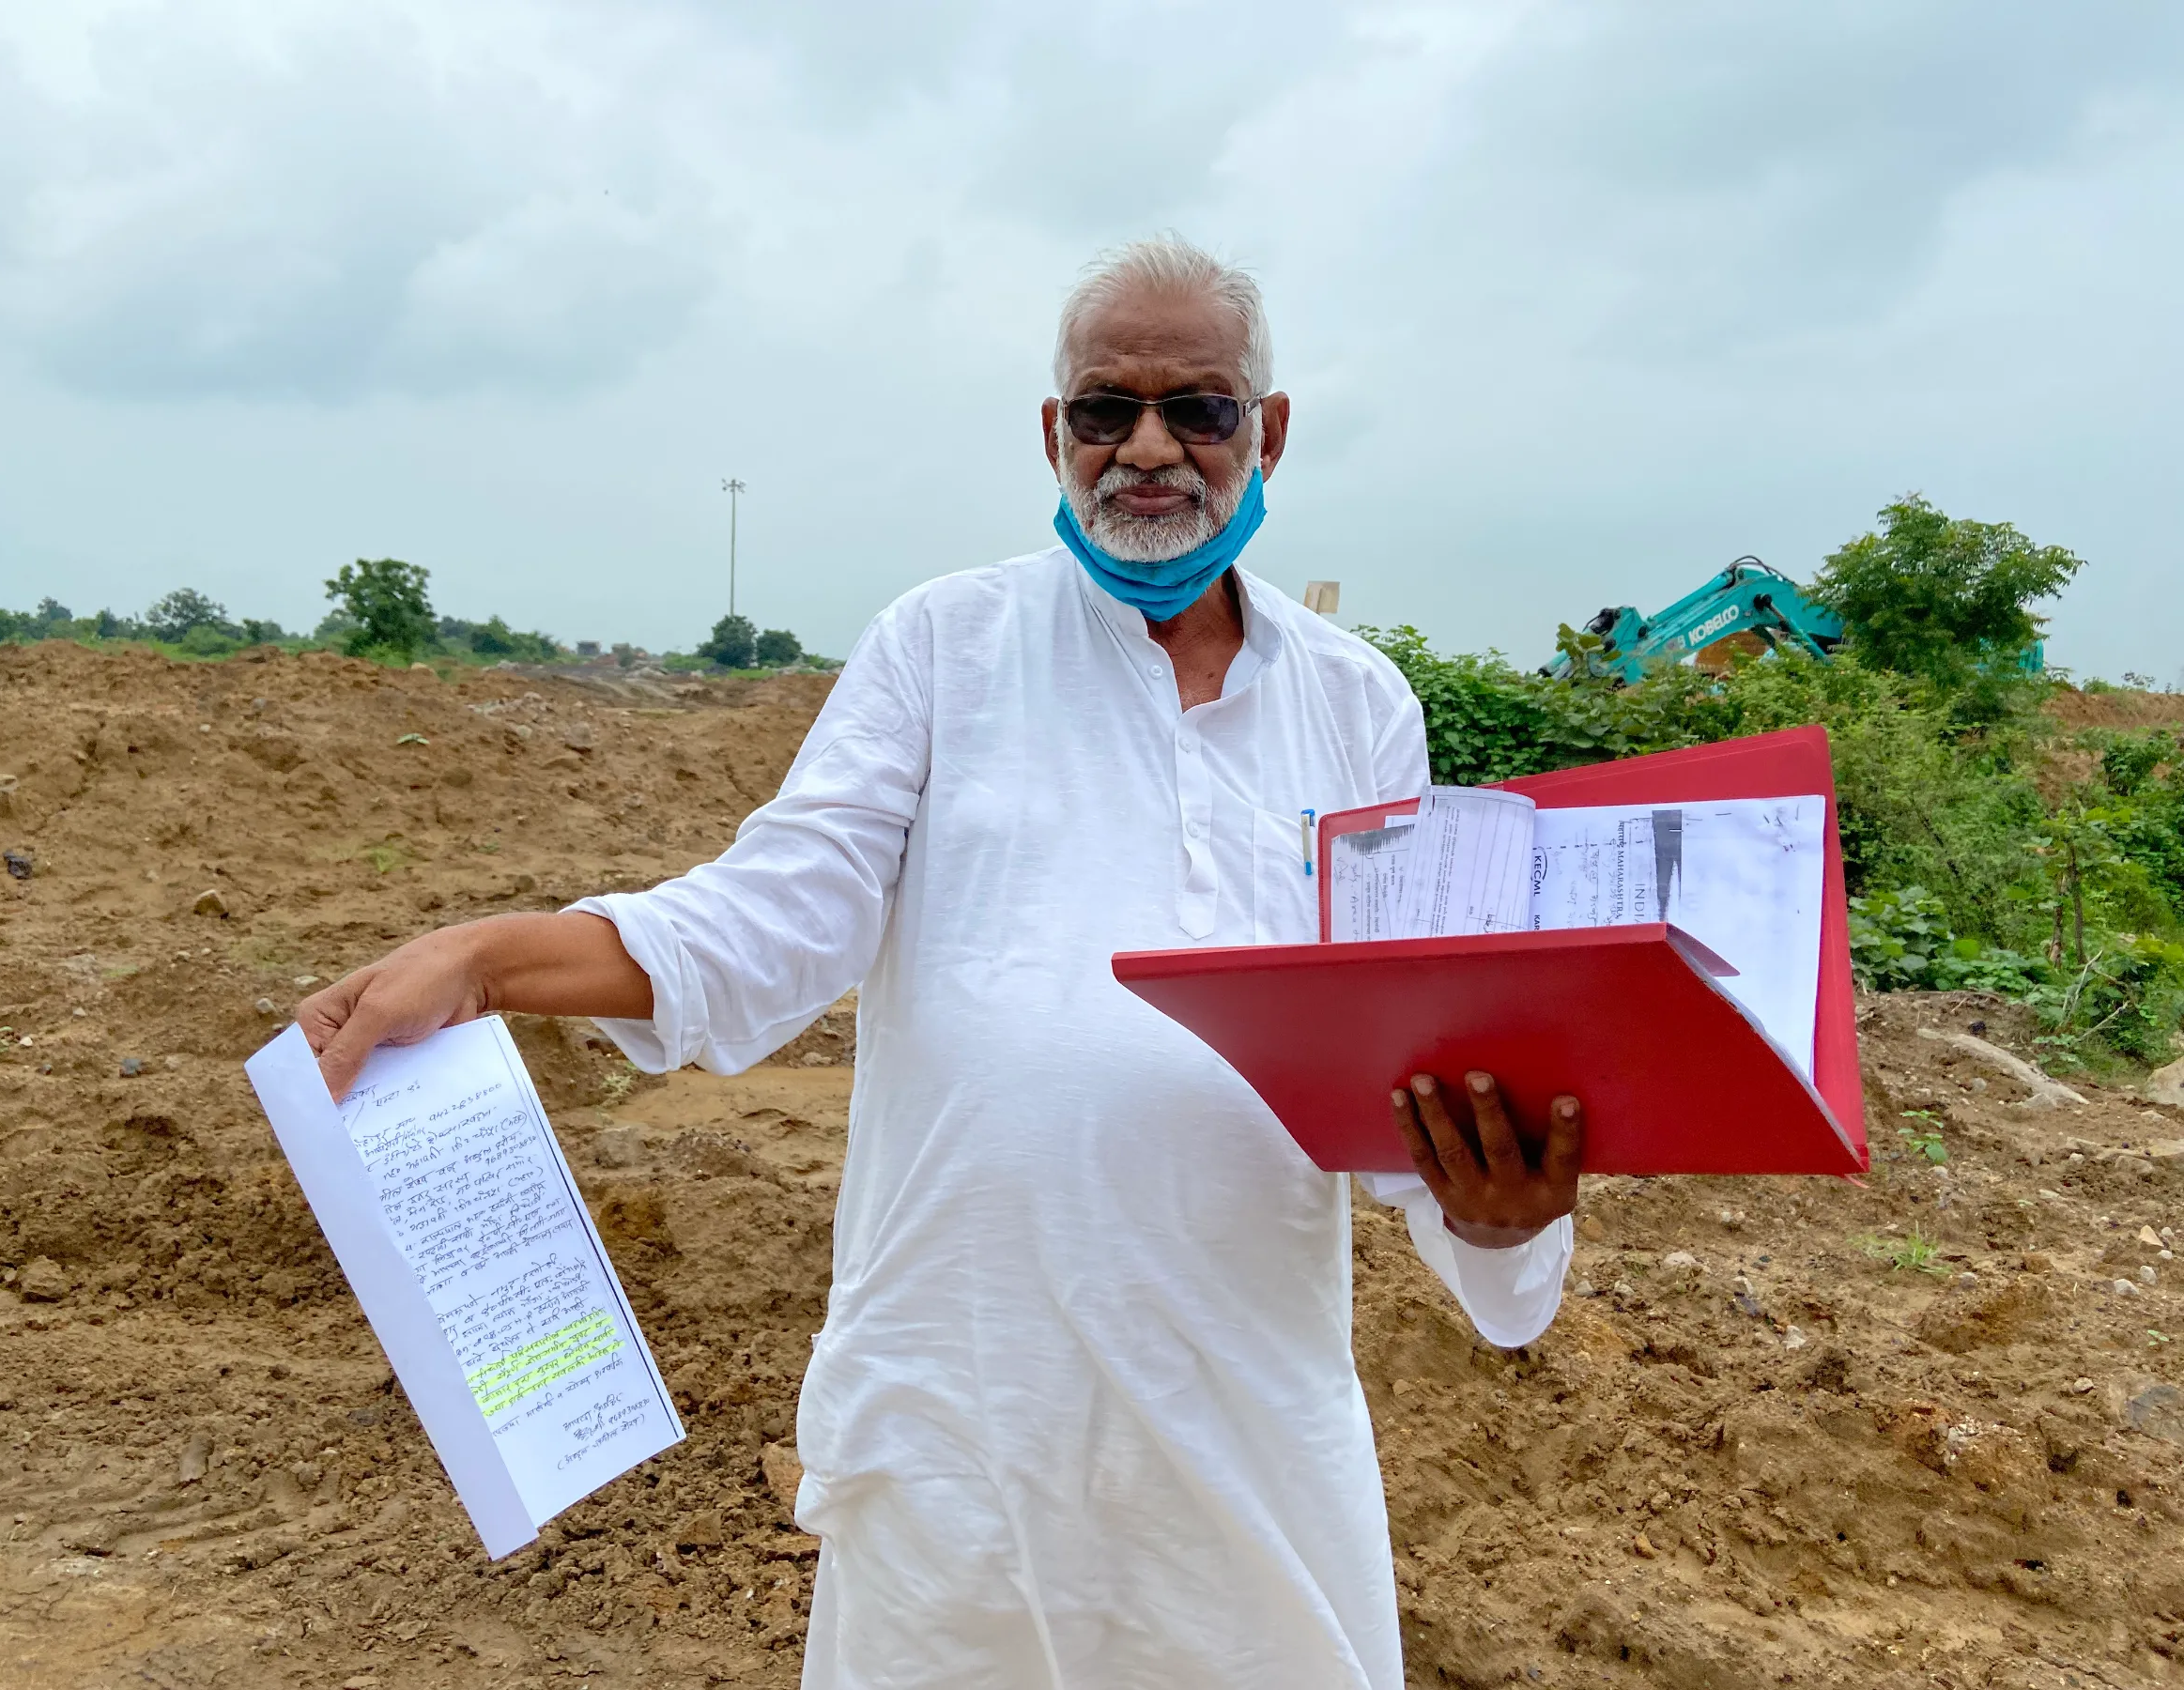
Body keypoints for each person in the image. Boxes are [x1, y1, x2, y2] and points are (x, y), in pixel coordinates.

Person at [302, 236, 1579, 1689]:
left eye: (1198, 409)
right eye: (1106, 409)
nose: (1147, 448)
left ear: (1267, 433)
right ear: (1055, 434)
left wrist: (1492, 1221)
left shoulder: (1356, 706)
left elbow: (1404, 1055)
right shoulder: (942, 649)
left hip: (1249, 1432)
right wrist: (487, 959)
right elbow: (772, 919)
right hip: (965, 1414)